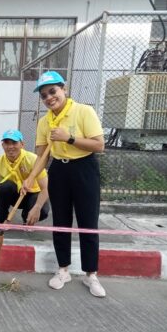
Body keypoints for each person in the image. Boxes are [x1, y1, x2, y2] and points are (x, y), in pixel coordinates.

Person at [23, 71, 106, 298]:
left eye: (53, 91)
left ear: (64, 90)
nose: (49, 98)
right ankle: (63, 270)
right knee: (60, 221)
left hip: (84, 169)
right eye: (44, 95)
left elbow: (99, 145)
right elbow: (42, 157)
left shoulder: (83, 111)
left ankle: (91, 275)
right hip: (59, 170)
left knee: (88, 220)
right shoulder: (44, 122)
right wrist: (30, 178)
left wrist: (68, 138)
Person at [0, 129, 49, 238]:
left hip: (33, 193)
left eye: (14, 143)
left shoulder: (33, 159)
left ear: (22, 144)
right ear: (2, 145)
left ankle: (26, 217)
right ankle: (2, 219)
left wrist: (37, 208)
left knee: (43, 210)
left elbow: (46, 188)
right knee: (5, 186)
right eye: (7, 143)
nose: (10, 147)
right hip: (15, 194)